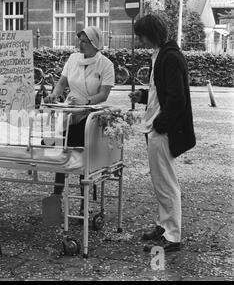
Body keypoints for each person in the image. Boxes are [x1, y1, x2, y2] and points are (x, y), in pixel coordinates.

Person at [129, 14, 196, 253]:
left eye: (141, 36)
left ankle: (172, 235)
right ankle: (163, 225)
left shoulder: (169, 57)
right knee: (161, 181)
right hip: (159, 126)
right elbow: (165, 93)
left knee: (166, 182)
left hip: (162, 130)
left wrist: (160, 124)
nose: (140, 41)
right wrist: (144, 98)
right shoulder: (164, 54)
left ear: (151, 34)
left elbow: (177, 98)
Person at [44, 26, 115, 196]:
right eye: (80, 41)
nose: (81, 45)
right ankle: (56, 196)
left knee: (85, 159)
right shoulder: (73, 59)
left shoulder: (106, 64)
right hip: (71, 111)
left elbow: (103, 94)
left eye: (85, 42)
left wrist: (86, 102)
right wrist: (54, 95)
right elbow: (62, 83)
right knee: (62, 155)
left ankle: (84, 202)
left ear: (95, 44)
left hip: (90, 114)